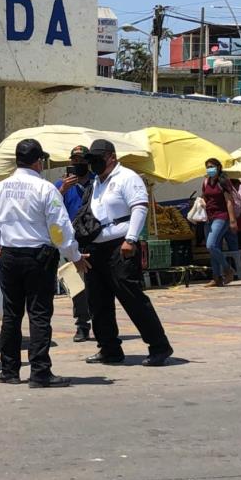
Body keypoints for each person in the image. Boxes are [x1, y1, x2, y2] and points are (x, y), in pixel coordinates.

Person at [0, 139, 91, 388]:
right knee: (39, 314)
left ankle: (9, 370)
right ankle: (40, 371)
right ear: (38, 161)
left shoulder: (1, 188)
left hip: (10, 256)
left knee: (12, 315)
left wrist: (1, 247)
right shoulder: (45, 189)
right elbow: (60, 229)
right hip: (38, 258)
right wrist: (74, 256)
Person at [82, 140, 173, 367]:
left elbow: (140, 207)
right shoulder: (96, 182)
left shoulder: (127, 178)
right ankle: (109, 349)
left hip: (119, 246)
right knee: (98, 302)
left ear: (111, 157)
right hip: (96, 247)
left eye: (97, 159)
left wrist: (130, 239)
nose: (94, 164)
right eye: (91, 160)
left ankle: (159, 346)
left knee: (132, 298)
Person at [54, 145, 94, 342]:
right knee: (74, 283)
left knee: (95, 285)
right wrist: (62, 190)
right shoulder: (60, 185)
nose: (78, 164)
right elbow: (50, 207)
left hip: (94, 238)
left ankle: (100, 321)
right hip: (71, 241)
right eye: (74, 161)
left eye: (82, 161)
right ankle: (82, 324)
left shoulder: (98, 183)